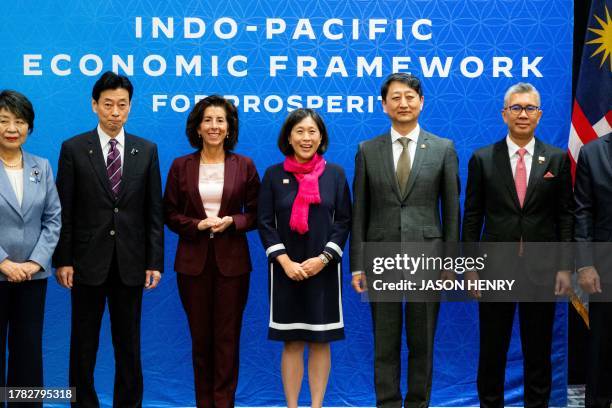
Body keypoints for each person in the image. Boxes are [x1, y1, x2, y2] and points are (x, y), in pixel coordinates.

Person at [52, 71, 164, 408]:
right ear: (94, 106)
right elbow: (64, 208)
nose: (115, 112)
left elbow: (153, 211)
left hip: (130, 263)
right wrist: (64, 259)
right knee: (83, 344)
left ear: (130, 107)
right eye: (108, 104)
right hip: (86, 264)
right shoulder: (73, 148)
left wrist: (153, 261)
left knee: (128, 344)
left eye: (122, 105)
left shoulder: (146, 150)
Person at [350, 73, 460, 408]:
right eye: (395, 97)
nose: (403, 103)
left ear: (421, 102)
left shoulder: (443, 149)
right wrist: (357, 266)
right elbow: (360, 213)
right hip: (380, 260)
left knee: (421, 341)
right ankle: (387, 403)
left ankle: (417, 404)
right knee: (384, 342)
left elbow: (453, 212)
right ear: (384, 106)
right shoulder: (367, 151)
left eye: (410, 96)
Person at [461, 82, 573, 408]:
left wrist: (565, 266)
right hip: (495, 269)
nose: (523, 114)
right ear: (504, 114)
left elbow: (565, 216)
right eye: (516, 108)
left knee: (538, 351)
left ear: (539, 114)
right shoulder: (482, 159)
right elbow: (472, 217)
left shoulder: (557, 159)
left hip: (542, 270)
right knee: (492, 350)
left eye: (529, 108)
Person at [163, 95, 260, 408]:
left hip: (233, 266)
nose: (215, 126)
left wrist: (233, 221)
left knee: (227, 339)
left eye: (221, 120)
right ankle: (203, 403)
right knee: (201, 340)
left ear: (229, 128)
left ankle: (224, 403)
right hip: (192, 265)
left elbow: (258, 213)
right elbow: (169, 213)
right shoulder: (181, 166)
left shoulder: (243, 165)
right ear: (198, 127)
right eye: (208, 120)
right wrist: (196, 225)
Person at [258, 108, 351, 408]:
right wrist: (285, 262)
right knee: (293, 340)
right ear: (288, 137)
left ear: (321, 136)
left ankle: (316, 405)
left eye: (312, 131)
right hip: (286, 270)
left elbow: (344, 222)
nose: (306, 137)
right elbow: (265, 223)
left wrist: (323, 259)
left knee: (321, 340)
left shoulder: (335, 174)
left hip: (323, 269)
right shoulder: (274, 174)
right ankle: (293, 406)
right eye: (299, 131)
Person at [0, 90, 61, 406]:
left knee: (27, 351)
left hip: (32, 279)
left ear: (29, 127)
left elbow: (53, 220)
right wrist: (4, 262)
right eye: (4, 121)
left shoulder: (42, 167)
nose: (12, 128)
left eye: (19, 121)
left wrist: (35, 263)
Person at [574, 131, 612, 408]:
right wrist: (585, 264)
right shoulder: (593, 152)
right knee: (602, 346)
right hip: (605, 268)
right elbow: (582, 211)